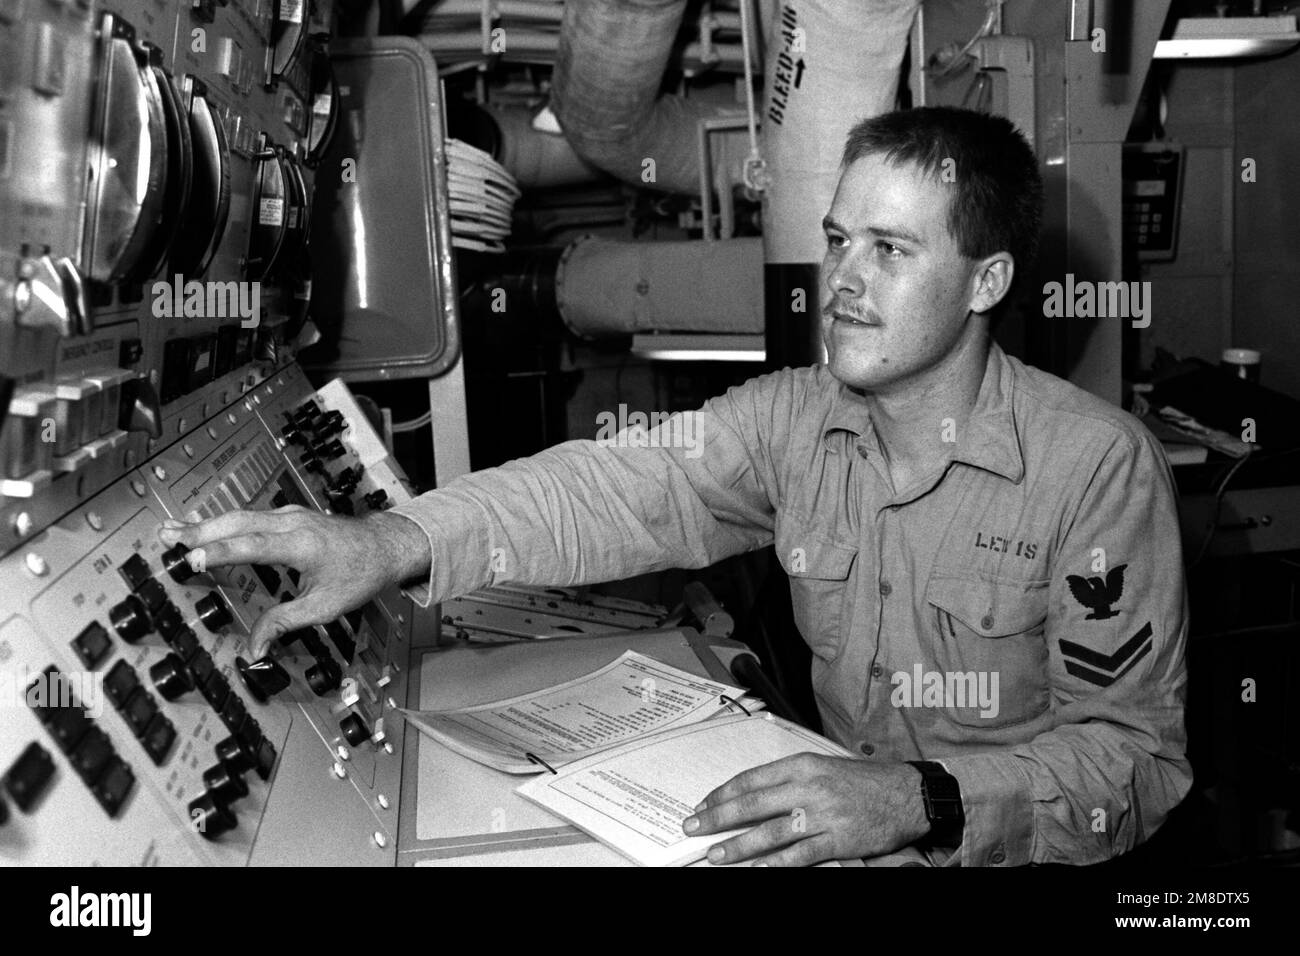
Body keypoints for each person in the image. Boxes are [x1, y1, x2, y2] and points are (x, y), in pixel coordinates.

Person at [159, 106, 1191, 866]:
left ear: (986, 282)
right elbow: (612, 486)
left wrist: (926, 799)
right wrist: (390, 542)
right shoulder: (793, 417)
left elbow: (1134, 760)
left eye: (889, 250)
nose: (840, 280)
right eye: (837, 240)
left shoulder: (1093, 470)